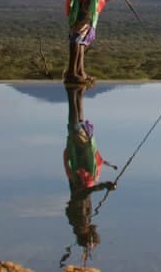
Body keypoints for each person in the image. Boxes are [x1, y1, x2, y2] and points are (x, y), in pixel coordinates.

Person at [60, 83, 116, 267]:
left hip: (78, 166)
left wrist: (102, 186)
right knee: (78, 127)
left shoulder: (79, 219)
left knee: (75, 128)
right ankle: (77, 91)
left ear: (87, 233)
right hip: (81, 166)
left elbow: (82, 194)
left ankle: (73, 91)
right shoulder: (81, 220)